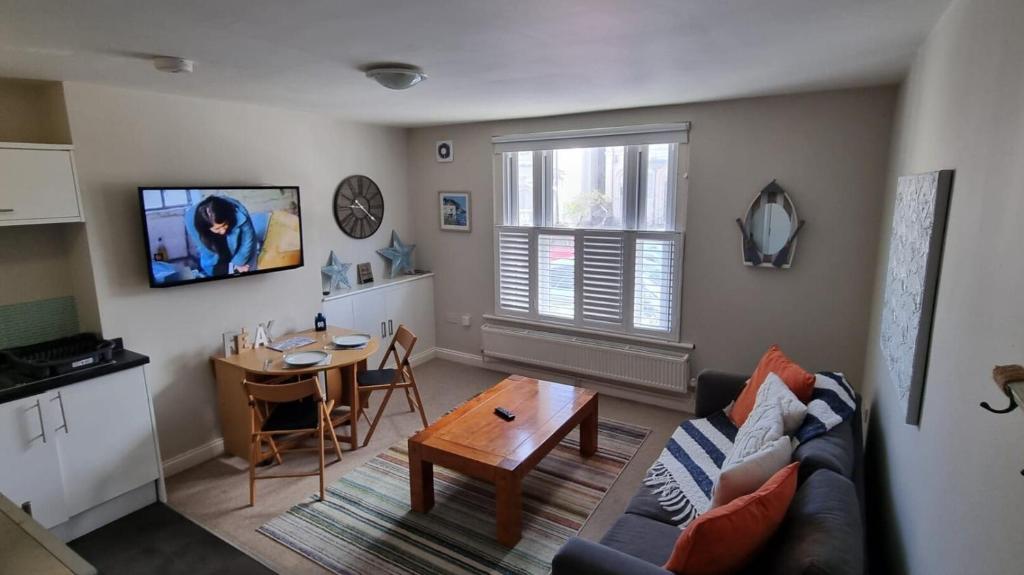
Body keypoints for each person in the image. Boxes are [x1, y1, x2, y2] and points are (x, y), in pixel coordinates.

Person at [185, 195, 257, 277]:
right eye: (217, 228)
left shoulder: (239, 212)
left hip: (237, 238)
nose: (223, 231)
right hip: (212, 244)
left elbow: (247, 240)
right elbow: (208, 254)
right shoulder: (192, 224)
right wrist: (230, 269)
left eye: (224, 225)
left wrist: (237, 264)